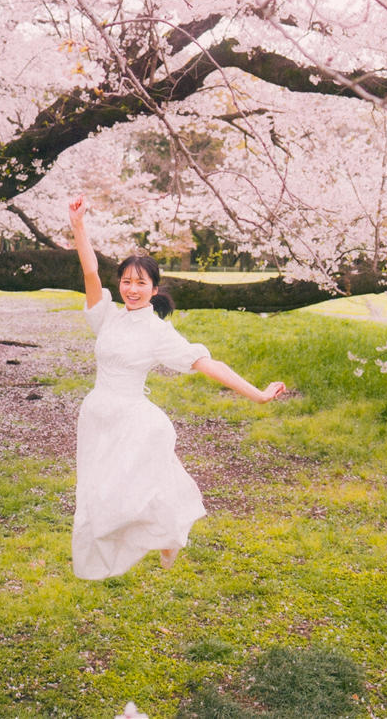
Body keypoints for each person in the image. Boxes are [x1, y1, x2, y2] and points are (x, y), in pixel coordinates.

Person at [68, 194, 286, 580]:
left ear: (154, 289)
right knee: (98, 494)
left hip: (130, 417)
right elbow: (90, 274)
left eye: (141, 283)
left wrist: (258, 393)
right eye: (127, 282)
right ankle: (154, 531)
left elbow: (207, 364)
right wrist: (78, 225)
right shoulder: (107, 318)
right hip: (96, 416)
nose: (132, 289)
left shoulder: (157, 332)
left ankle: (165, 530)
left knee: (131, 489)